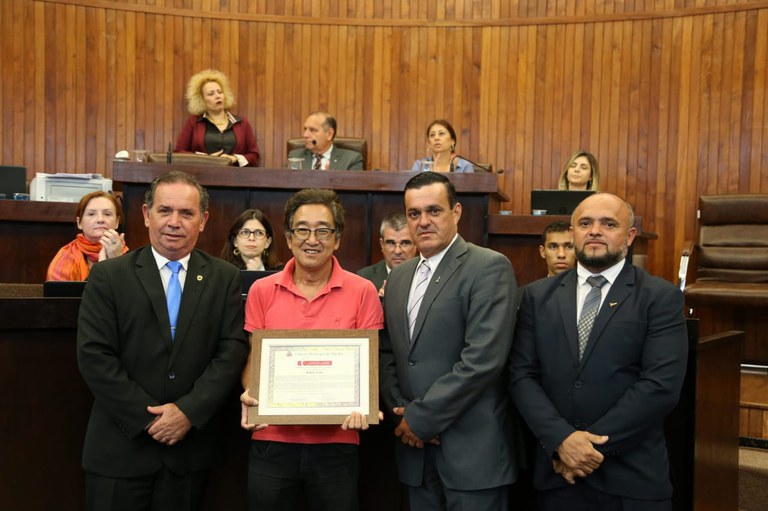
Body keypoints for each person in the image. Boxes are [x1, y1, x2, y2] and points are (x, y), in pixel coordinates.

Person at [76, 171, 249, 510]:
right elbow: (94, 355)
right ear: (145, 214)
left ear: (203, 220)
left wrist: (187, 412)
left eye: (186, 213)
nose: (174, 222)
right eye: (165, 210)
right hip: (120, 450)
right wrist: (150, 418)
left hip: (188, 453)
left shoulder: (225, 278)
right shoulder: (109, 276)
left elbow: (230, 353)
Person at [509, 193, 688, 511]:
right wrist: (562, 440)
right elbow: (522, 376)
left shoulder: (660, 298)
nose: (594, 231)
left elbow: (660, 386)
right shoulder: (537, 296)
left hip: (632, 478)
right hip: (557, 475)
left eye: (608, 223)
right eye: (585, 223)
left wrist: (586, 448)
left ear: (629, 236)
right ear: (573, 232)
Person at [379, 172, 521, 510]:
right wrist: (402, 413)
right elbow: (388, 352)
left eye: (434, 211)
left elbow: (482, 360)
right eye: (414, 214)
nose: (423, 222)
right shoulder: (399, 277)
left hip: (472, 455)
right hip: (414, 452)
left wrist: (421, 419)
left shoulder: (489, 267)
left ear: (456, 212)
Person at [239, 188, 383, 511]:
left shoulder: (363, 292)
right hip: (271, 439)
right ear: (289, 238)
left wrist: (365, 402)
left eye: (323, 230)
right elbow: (253, 361)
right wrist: (249, 393)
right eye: (302, 229)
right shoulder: (262, 290)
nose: (312, 239)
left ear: (338, 238)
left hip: (338, 443)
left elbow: (369, 366)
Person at [174, 69, 260, 167]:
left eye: (220, 92)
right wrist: (205, 159)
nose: (217, 96)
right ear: (201, 99)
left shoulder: (242, 123)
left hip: (236, 178)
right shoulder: (194, 122)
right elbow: (179, 153)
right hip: (202, 177)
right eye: (211, 94)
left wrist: (235, 158)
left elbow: (254, 156)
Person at [46, 191, 128, 281]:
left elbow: (132, 293)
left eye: (107, 214)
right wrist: (103, 268)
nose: (100, 219)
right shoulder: (65, 258)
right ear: (79, 222)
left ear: (117, 222)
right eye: (91, 214)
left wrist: (117, 261)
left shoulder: (131, 259)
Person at [357, 212, 417, 297]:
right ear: (382, 244)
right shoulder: (363, 278)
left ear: (416, 245)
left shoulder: (426, 275)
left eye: (405, 243)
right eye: (391, 243)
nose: (397, 251)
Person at [288, 112, 364, 170]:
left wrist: (328, 179)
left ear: (329, 134)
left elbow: (352, 189)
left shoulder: (351, 159)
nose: (305, 135)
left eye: (312, 130)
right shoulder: (295, 156)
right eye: (305, 129)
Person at [409, 119, 474, 173]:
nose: (436, 138)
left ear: (452, 141)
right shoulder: (419, 165)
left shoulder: (464, 167)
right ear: (429, 143)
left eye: (441, 133)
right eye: (432, 135)